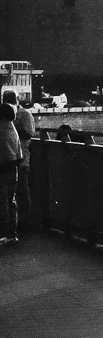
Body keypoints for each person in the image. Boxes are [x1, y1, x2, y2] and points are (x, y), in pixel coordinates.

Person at [3, 90, 33, 232]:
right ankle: (14, 225)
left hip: (21, 158)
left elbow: (29, 134)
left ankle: (25, 222)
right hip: (13, 159)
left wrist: (13, 125)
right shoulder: (5, 117)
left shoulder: (25, 115)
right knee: (13, 194)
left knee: (21, 191)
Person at [0, 102, 19, 247]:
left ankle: (1, 234)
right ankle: (12, 233)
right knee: (11, 201)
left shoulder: (1, 129)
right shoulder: (12, 129)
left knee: (2, 201)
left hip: (3, 167)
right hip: (13, 166)